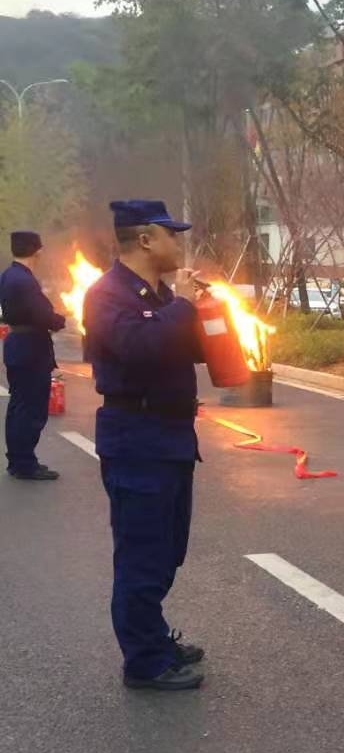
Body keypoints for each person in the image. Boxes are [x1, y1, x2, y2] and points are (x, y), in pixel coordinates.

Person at [82, 200, 208, 691]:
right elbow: (141, 348)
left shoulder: (156, 294)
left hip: (171, 438)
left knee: (167, 549)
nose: (180, 243)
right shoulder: (107, 294)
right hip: (137, 439)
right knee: (141, 554)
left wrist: (208, 319)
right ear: (146, 240)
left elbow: (187, 348)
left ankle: (153, 637)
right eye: (172, 234)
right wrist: (182, 308)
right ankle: (144, 661)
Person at [1, 230, 66, 480]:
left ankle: (17, 460)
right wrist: (59, 319)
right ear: (36, 250)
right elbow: (41, 314)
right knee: (31, 408)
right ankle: (25, 463)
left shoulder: (8, 275)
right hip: (30, 348)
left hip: (17, 345)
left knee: (19, 405)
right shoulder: (25, 280)